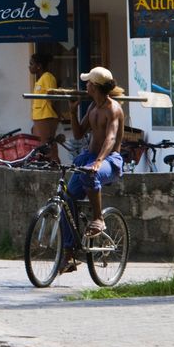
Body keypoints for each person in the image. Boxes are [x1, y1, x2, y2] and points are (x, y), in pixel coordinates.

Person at [64, 66, 124, 255]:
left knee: (90, 174)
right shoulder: (92, 107)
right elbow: (78, 134)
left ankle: (99, 218)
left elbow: (111, 138)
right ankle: (69, 252)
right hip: (90, 157)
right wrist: (72, 112)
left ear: (95, 87)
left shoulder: (113, 109)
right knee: (67, 200)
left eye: (88, 82)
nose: (86, 85)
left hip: (110, 160)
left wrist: (98, 161)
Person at [29, 48, 61, 161]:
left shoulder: (48, 77)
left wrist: (57, 115)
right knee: (42, 148)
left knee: (48, 147)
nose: (29, 67)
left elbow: (53, 97)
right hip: (39, 117)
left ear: (39, 66)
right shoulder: (39, 79)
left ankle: (56, 167)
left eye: (31, 64)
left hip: (46, 116)